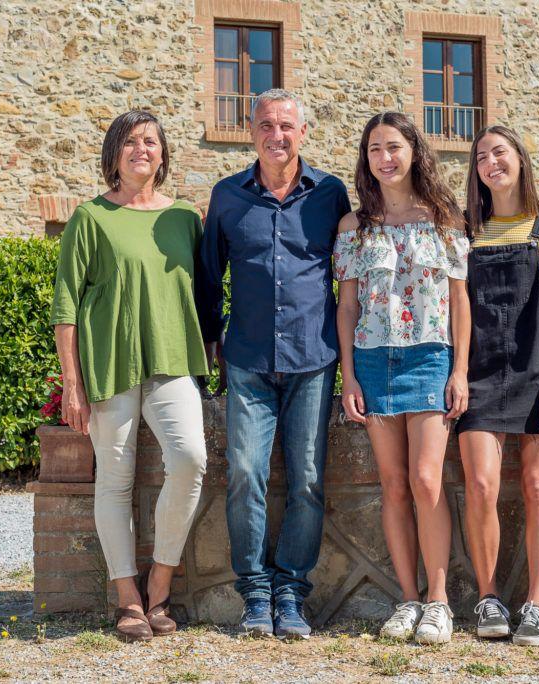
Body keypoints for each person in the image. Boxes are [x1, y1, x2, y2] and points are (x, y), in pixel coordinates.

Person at [196, 89, 351, 640]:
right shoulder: (228, 196)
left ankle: (291, 593)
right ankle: (255, 594)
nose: (276, 135)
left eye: (286, 125)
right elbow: (209, 276)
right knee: (245, 475)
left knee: (307, 479)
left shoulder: (331, 195)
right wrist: (210, 338)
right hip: (248, 358)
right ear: (251, 131)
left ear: (302, 133)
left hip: (314, 357)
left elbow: (355, 273)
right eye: (266, 125)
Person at [50, 110, 208, 642]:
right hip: (109, 365)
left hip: (173, 361)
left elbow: (202, 294)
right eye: (131, 142)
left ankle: (161, 583)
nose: (142, 149)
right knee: (113, 483)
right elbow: (66, 305)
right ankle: (129, 600)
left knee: (190, 460)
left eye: (151, 141)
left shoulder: (185, 218)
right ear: (114, 154)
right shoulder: (89, 218)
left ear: (163, 155)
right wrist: (72, 383)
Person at [334, 112, 470, 644]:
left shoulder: (445, 219)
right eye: (374, 149)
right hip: (372, 358)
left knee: (426, 480)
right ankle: (408, 599)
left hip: (432, 358)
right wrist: (349, 375)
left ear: (414, 151)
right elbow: (345, 307)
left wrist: (459, 369)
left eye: (393, 147)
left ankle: (439, 603)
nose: (384, 158)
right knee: (392, 484)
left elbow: (461, 300)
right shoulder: (353, 227)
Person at [457, 125, 539, 646]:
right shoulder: (464, 229)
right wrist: (458, 373)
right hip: (478, 371)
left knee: (537, 487)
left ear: (520, 160)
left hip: (535, 370)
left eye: (499, 152)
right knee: (482, 485)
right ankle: (488, 597)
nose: (490, 162)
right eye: (481, 156)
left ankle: (537, 603)